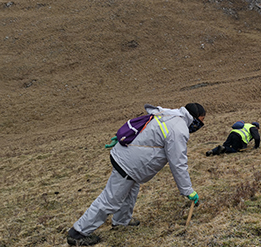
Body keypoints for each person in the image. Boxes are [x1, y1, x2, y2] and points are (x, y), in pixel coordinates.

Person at [67, 103, 206, 246]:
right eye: (201, 120)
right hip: (128, 163)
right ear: (194, 117)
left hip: (127, 157)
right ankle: (78, 233)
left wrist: (120, 137)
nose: (200, 124)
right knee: (110, 200)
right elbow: (178, 163)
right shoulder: (179, 129)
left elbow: (145, 129)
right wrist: (187, 190)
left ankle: (121, 222)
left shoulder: (168, 114)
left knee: (131, 189)